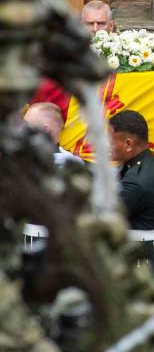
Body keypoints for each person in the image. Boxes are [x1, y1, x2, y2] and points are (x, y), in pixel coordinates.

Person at [108, 110, 154, 273]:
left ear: (128, 144)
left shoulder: (136, 181)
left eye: (111, 141)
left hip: (145, 260)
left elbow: (105, 215)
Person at [31, 0, 115, 120]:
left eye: (101, 23)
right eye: (90, 24)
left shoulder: (123, 52)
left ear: (111, 26)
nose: (95, 29)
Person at [21, 102, 84, 248]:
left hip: (40, 242)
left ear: (45, 131)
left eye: (27, 125)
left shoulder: (28, 165)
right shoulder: (75, 164)